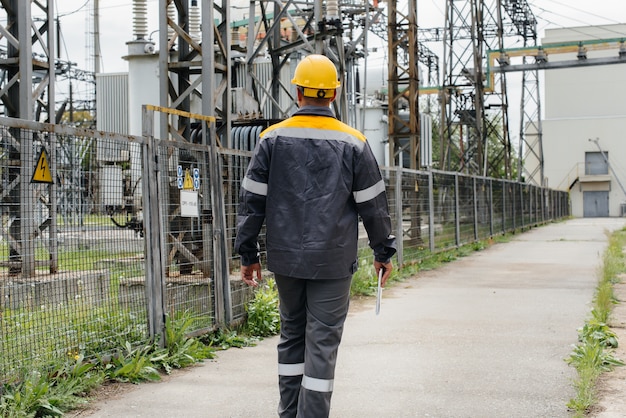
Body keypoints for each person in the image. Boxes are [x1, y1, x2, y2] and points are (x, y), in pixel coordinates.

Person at [234, 54, 396, 418]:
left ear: (297, 91)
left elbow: (252, 201)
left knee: (292, 335)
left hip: (286, 258)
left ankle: (288, 413)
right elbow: (373, 205)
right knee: (321, 343)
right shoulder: (354, 143)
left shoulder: (271, 139)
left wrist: (248, 254)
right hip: (333, 260)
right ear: (335, 93)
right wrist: (383, 252)